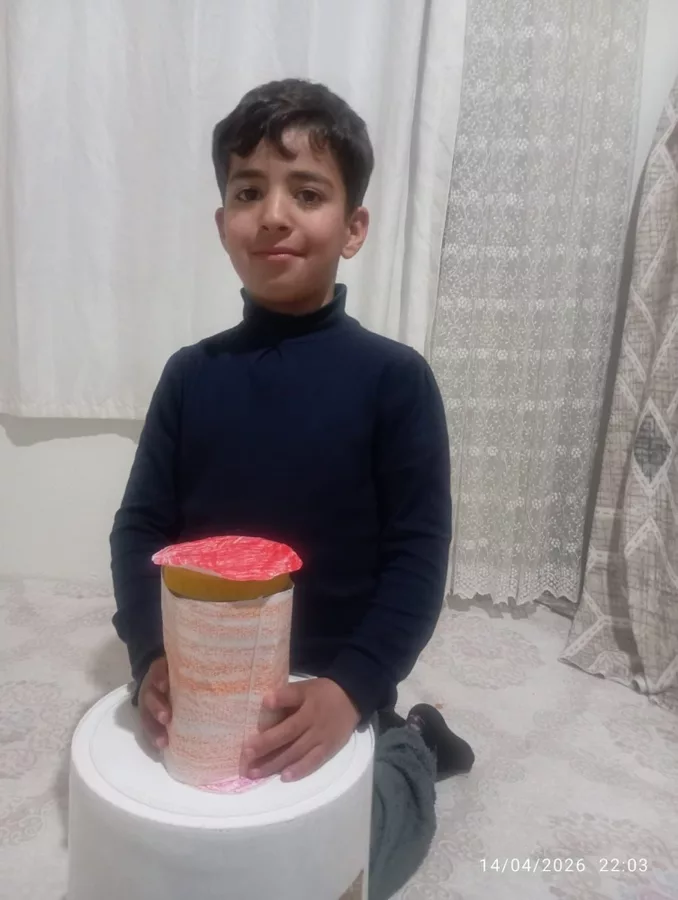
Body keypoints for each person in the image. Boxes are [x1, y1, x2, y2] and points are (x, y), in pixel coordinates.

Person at [110, 78, 474, 900]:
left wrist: (352, 689)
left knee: (333, 869)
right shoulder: (190, 376)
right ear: (223, 226)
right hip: (205, 678)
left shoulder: (394, 380)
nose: (273, 214)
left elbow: (418, 556)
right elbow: (140, 532)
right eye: (249, 192)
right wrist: (151, 654)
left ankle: (418, 743)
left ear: (353, 228)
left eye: (307, 193)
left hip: (337, 682)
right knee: (161, 860)